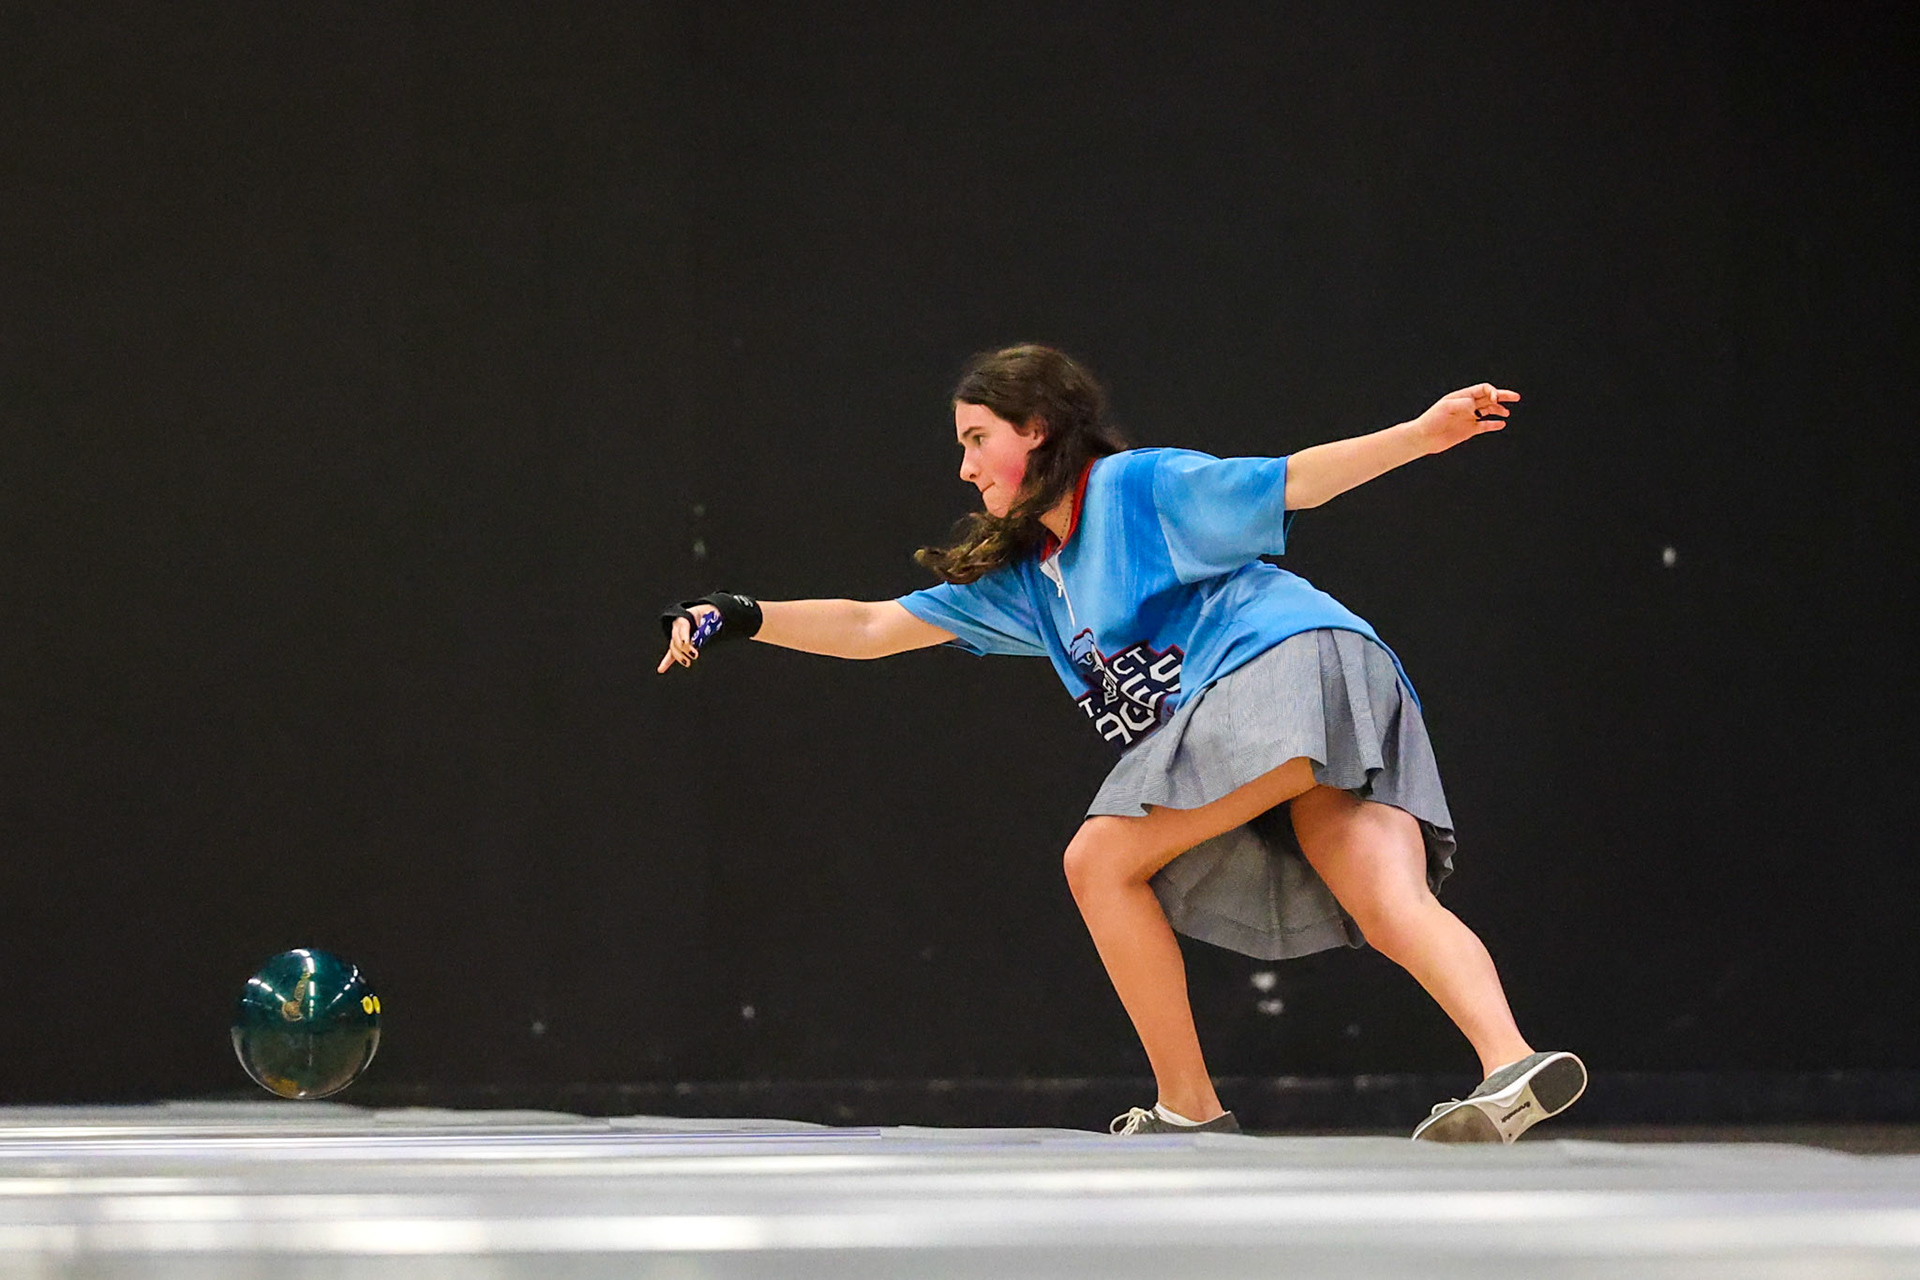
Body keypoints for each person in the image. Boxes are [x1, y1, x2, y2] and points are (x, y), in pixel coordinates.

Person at [658, 343, 1585, 1142]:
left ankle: (1189, 1108)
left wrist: (1421, 435)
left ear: (1036, 429)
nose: (965, 468)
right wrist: (738, 613)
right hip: (1352, 672)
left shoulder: (1137, 488)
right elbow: (871, 626)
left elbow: (1292, 479)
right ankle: (1510, 1063)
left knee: (1100, 860)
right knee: (1387, 899)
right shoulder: (1030, 582)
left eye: (977, 438)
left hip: (1282, 664)